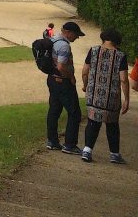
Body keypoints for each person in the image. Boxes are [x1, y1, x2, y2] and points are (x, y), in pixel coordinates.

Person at [81, 28, 130, 163]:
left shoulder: (93, 51)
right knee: (112, 124)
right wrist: (126, 99)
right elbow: (124, 79)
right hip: (111, 97)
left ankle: (87, 151)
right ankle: (114, 154)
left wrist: (86, 85)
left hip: (94, 95)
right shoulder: (121, 56)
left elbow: (85, 71)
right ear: (117, 41)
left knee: (92, 122)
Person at [46, 21, 85, 154]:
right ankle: (70, 144)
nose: (77, 37)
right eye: (76, 34)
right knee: (74, 112)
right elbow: (61, 66)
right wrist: (71, 77)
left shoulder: (53, 40)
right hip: (63, 82)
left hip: (52, 79)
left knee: (54, 110)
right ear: (68, 33)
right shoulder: (64, 46)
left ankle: (52, 141)